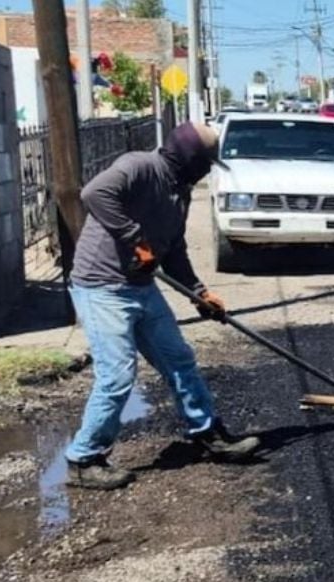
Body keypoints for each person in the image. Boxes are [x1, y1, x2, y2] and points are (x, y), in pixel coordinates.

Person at [65, 122, 260, 491]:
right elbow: (93, 193)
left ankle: (207, 432)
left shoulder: (179, 191)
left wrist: (199, 293)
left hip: (141, 286)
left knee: (179, 359)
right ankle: (83, 459)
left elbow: (174, 250)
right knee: (117, 376)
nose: (206, 171)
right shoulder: (138, 166)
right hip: (102, 287)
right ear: (186, 158)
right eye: (205, 163)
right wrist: (135, 240)